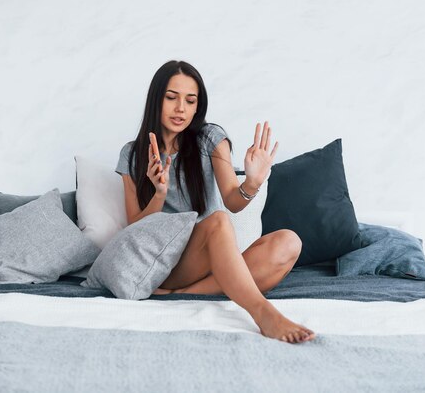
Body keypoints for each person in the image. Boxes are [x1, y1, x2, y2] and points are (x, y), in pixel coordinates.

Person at [115, 60, 315, 344]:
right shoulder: (133, 154)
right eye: (171, 98)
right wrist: (158, 193)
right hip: (165, 263)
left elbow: (233, 201)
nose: (180, 108)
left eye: (190, 100)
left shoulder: (210, 139)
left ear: (198, 106)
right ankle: (263, 312)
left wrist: (252, 184)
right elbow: (133, 229)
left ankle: (184, 295)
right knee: (218, 221)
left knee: (289, 242)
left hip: (213, 258)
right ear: (156, 100)